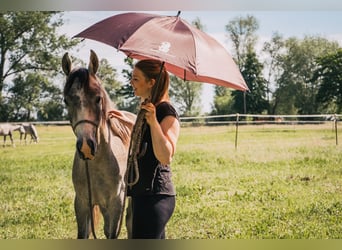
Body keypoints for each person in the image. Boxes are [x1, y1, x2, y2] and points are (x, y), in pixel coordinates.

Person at [126, 59, 180, 239]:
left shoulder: (166, 111)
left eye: (135, 79)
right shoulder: (148, 109)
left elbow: (165, 156)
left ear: (151, 83)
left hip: (156, 195)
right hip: (142, 193)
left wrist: (154, 122)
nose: (131, 83)